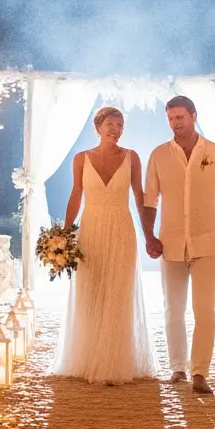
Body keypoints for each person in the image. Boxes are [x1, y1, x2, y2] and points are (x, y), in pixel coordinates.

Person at [142, 95, 215, 390]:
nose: (175, 124)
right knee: (173, 309)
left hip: (208, 243)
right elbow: (150, 200)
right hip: (170, 244)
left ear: (194, 116)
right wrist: (149, 236)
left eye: (180, 118)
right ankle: (177, 369)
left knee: (204, 309)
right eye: (171, 119)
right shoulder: (159, 155)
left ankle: (200, 372)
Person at [56, 106, 154, 383]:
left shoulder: (132, 157)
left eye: (120, 125)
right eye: (110, 123)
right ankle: (87, 358)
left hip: (122, 227)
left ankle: (114, 361)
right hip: (91, 229)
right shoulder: (81, 159)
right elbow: (76, 195)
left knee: (118, 292)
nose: (116, 129)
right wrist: (64, 234)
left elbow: (140, 197)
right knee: (91, 290)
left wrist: (149, 234)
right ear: (98, 127)